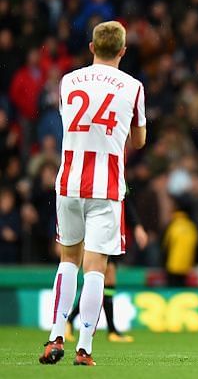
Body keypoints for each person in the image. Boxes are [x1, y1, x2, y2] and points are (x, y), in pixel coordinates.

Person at [39, 21, 146, 366]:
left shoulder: (68, 81)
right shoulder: (133, 86)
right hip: (107, 186)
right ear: (123, 51)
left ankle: (55, 337)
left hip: (69, 181)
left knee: (67, 261)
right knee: (96, 268)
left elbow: (69, 123)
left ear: (91, 47)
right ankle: (84, 347)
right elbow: (139, 141)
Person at [65, 200, 149, 343]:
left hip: (113, 230)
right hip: (101, 229)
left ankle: (75, 321)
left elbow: (125, 203)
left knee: (107, 281)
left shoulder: (117, 181)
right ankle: (106, 329)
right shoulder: (102, 183)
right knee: (101, 278)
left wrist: (136, 226)